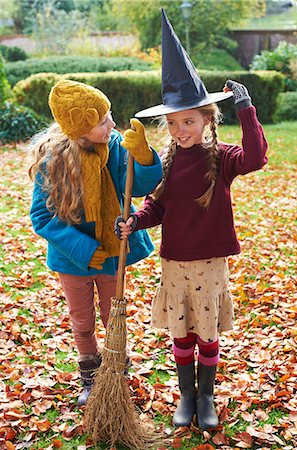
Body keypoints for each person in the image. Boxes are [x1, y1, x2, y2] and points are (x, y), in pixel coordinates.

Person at [115, 10, 268, 430]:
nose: (180, 129)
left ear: (206, 119)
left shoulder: (221, 158)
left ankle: (206, 396)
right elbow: (157, 208)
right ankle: (185, 394)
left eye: (189, 120)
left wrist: (246, 108)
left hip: (210, 262)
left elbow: (256, 158)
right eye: (173, 122)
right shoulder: (166, 163)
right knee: (181, 331)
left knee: (207, 331)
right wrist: (134, 222)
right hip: (175, 262)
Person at [28, 79, 162, 407]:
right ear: (83, 126)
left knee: (113, 316)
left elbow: (139, 186)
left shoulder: (115, 147)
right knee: (83, 320)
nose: (112, 124)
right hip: (72, 258)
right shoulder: (53, 162)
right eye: (103, 120)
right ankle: (89, 376)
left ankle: (116, 373)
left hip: (112, 250)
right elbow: (42, 219)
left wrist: (143, 158)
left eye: (110, 115)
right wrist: (85, 250)